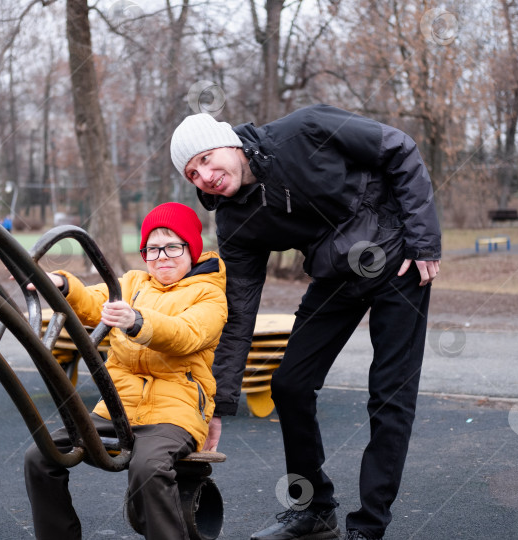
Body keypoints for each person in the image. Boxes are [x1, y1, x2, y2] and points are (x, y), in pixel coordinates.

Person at [170, 105, 441, 540]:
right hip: (336, 275)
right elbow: (238, 313)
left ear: (227, 141)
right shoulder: (234, 221)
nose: (205, 176)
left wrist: (424, 240)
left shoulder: (305, 130)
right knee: (290, 384)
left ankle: (369, 527)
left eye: (204, 159)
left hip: (398, 260)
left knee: (389, 395)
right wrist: (219, 404)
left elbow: (400, 149)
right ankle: (315, 510)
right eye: (192, 175)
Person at [23, 202, 227, 540]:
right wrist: (60, 283)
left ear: (192, 249)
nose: (162, 257)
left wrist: (138, 321)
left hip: (174, 412)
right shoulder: (133, 284)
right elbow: (91, 302)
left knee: (147, 468)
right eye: (152, 248)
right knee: (41, 454)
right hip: (117, 409)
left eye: (173, 246)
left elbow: (186, 335)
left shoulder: (209, 295)